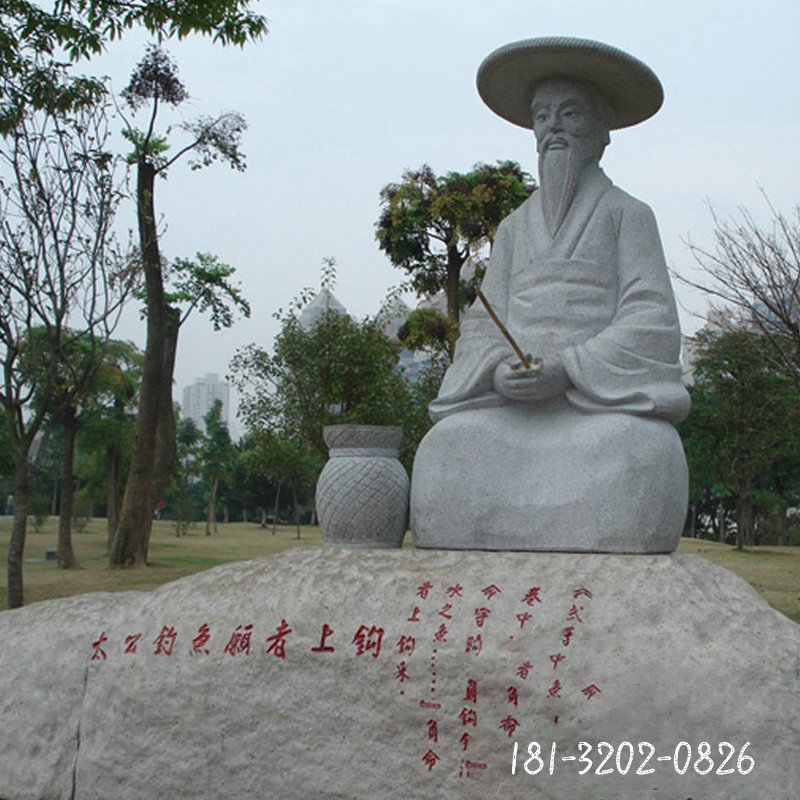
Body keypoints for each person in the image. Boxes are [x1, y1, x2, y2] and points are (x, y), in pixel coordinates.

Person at [410, 38, 690, 553]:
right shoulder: (514, 228)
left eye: (571, 114)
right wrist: (496, 368)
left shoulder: (628, 215)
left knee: (644, 453)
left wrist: (568, 367)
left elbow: (651, 316)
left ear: (603, 132)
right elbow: (483, 321)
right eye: (542, 116)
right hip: (510, 415)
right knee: (445, 450)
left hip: (595, 412)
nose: (553, 128)